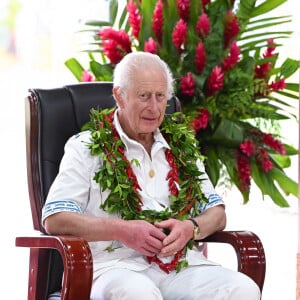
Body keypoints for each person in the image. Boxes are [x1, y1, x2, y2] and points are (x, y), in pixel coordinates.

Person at [42, 52, 260, 300]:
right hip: (114, 268)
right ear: (119, 96)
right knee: (138, 293)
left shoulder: (181, 147)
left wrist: (191, 228)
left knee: (243, 289)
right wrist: (122, 230)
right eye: (144, 96)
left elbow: (217, 214)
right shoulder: (86, 147)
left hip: (178, 266)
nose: (154, 108)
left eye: (160, 96)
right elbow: (55, 218)